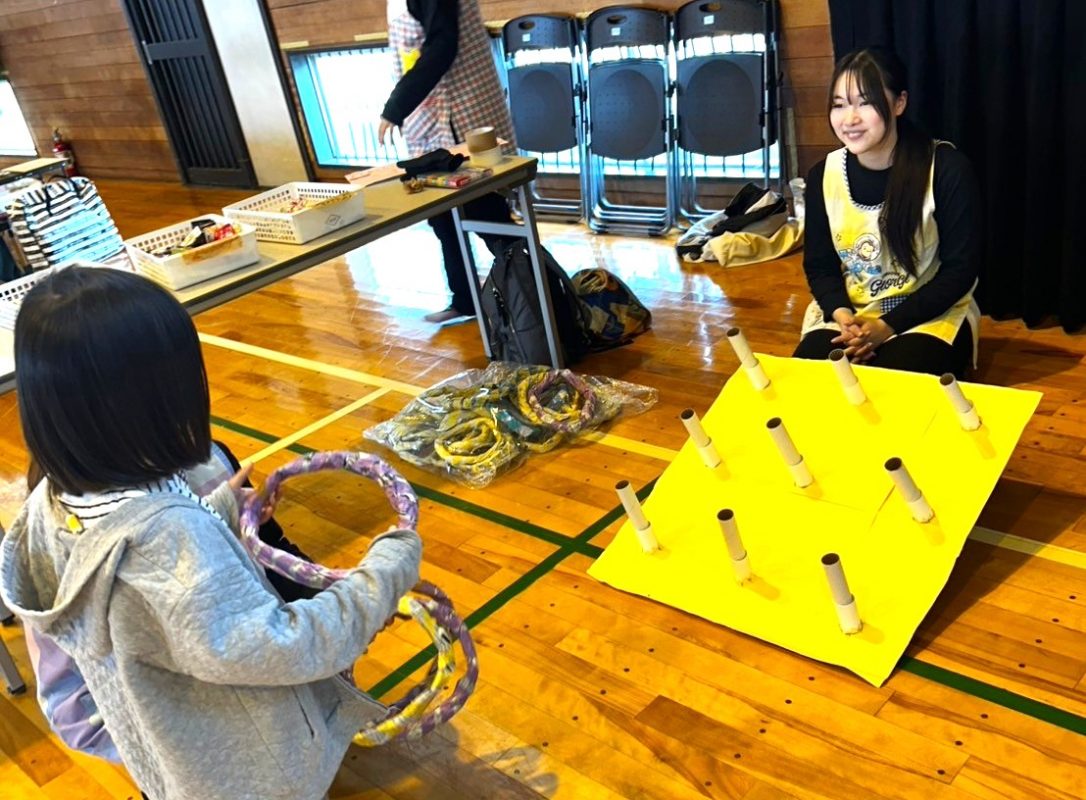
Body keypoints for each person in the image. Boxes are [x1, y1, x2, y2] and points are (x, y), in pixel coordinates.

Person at [0, 266, 422, 800]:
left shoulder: (49, 505)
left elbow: (151, 594)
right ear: (153, 404)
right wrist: (384, 573)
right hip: (251, 780)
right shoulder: (168, 548)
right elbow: (287, 646)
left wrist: (217, 509)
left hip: (178, 763)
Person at [792, 47, 981, 378]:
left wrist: (887, 326)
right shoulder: (824, 174)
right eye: (839, 104)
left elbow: (960, 271)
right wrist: (842, 315)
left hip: (929, 313)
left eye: (865, 103)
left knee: (893, 383)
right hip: (850, 312)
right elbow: (819, 266)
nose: (850, 119)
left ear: (899, 103)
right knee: (813, 382)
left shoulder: (946, 168)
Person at [379, 0, 517, 323]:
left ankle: (541, 294)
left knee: (487, 215)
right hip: (433, 122)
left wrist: (395, 107)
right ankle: (465, 298)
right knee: (443, 218)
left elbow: (443, 45)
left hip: (459, 117)